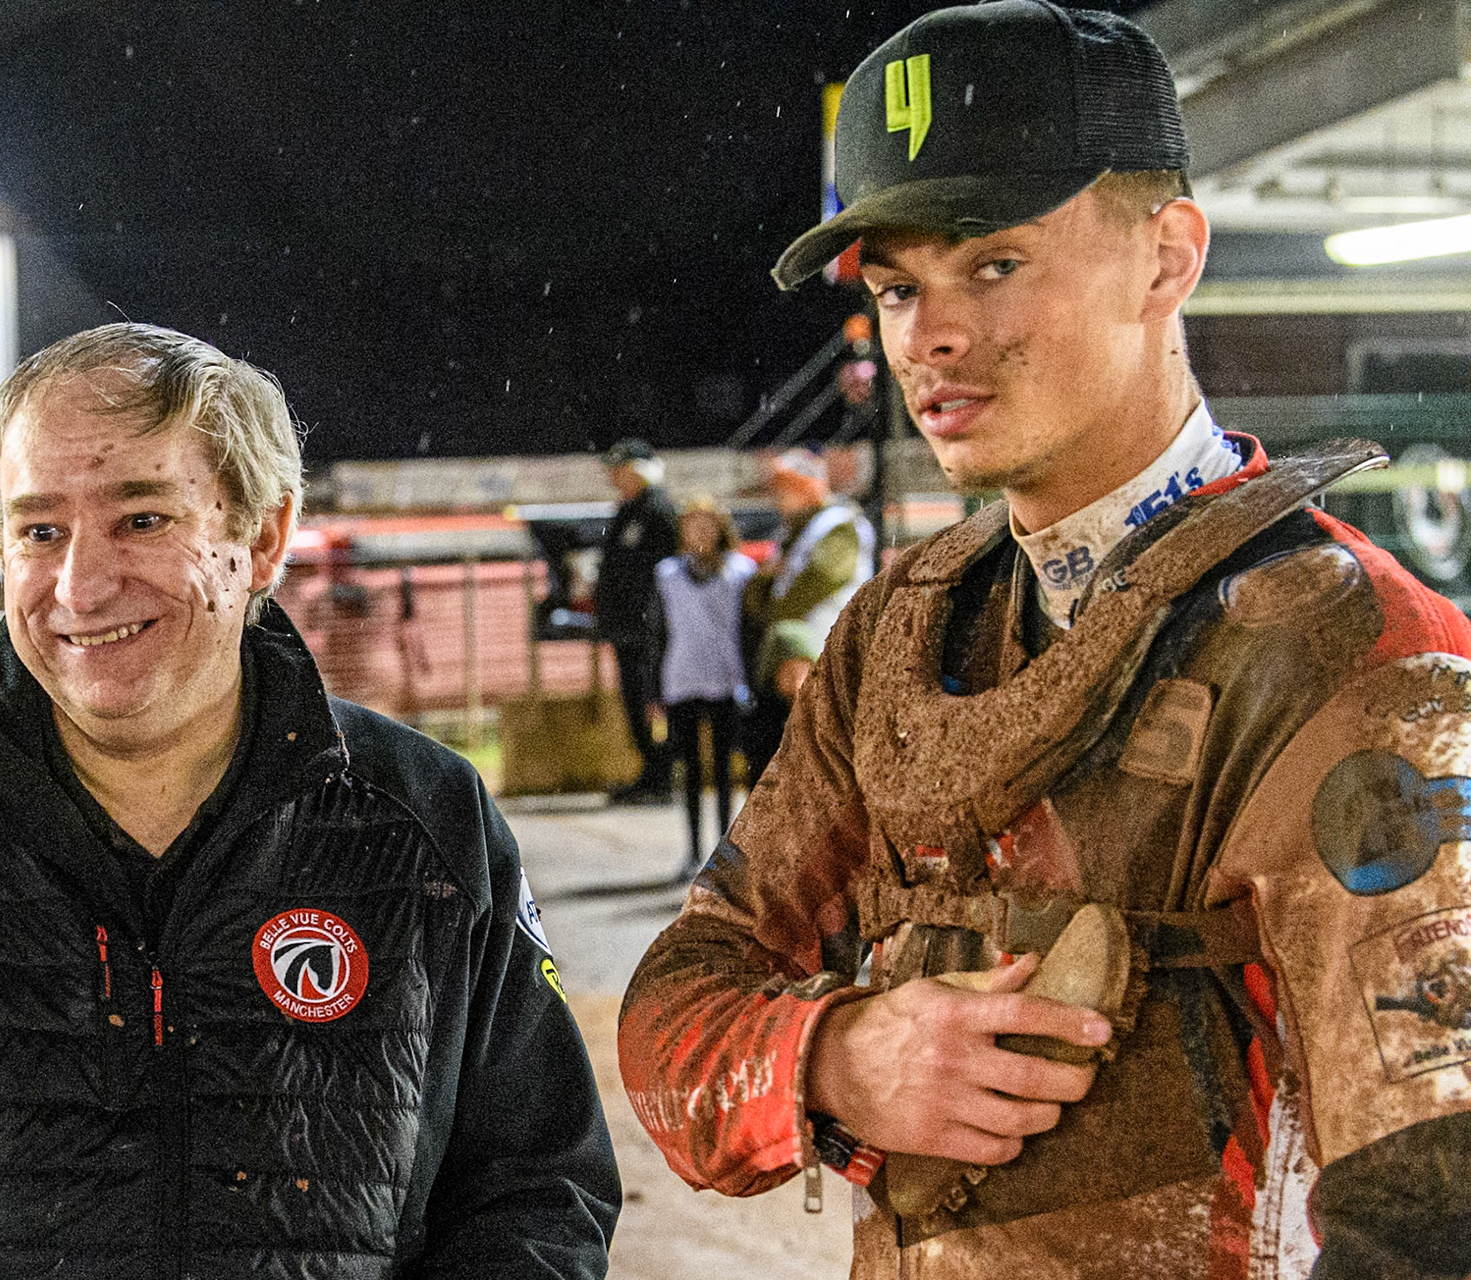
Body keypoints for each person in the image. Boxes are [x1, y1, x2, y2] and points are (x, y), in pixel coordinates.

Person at [618, 4, 1471, 1275]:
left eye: (994, 264)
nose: (930, 335)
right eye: (899, 287)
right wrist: (840, 1058)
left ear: (1168, 256)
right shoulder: (894, 638)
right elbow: (674, 1010)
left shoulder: (1358, 660)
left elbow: (1433, 1216)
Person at [0, 323, 620, 1276]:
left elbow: (539, 1186)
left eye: (142, 518)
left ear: (263, 533)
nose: (80, 583)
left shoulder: (425, 818)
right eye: (39, 530)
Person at [738, 449, 874, 783]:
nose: (778, 500)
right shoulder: (792, 533)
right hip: (793, 658)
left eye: (785, 490)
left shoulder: (839, 527)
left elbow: (808, 588)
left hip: (825, 654)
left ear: (805, 488)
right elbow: (756, 596)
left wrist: (771, 598)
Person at [655, 496, 756, 875]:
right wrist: (654, 690)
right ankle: (693, 850)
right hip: (681, 678)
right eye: (692, 523)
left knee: (726, 771)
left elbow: (749, 630)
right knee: (691, 770)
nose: (700, 531)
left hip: (727, 679)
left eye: (707, 523)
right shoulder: (666, 574)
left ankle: (725, 848)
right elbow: (658, 633)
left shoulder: (741, 571)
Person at [594, 437, 680, 804]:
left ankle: (660, 776)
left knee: (651, 700)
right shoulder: (629, 510)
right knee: (636, 700)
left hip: (647, 628)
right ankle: (650, 771)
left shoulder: (658, 510)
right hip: (627, 625)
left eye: (620, 470)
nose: (615, 478)